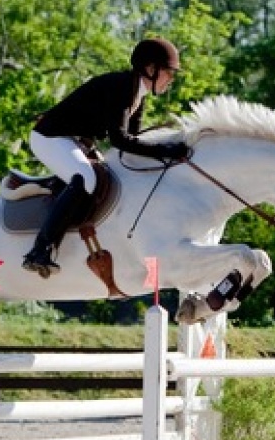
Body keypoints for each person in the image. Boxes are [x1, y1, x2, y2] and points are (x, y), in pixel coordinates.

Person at [23, 37, 191, 278]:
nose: (171, 80)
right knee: (85, 178)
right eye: (168, 72)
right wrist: (165, 151)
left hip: (75, 141)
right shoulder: (122, 87)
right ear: (151, 69)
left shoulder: (136, 95)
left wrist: (167, 148)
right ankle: (39, 251)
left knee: (105, 175)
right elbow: (120, 140)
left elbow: (132, 143)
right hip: (49, 137)